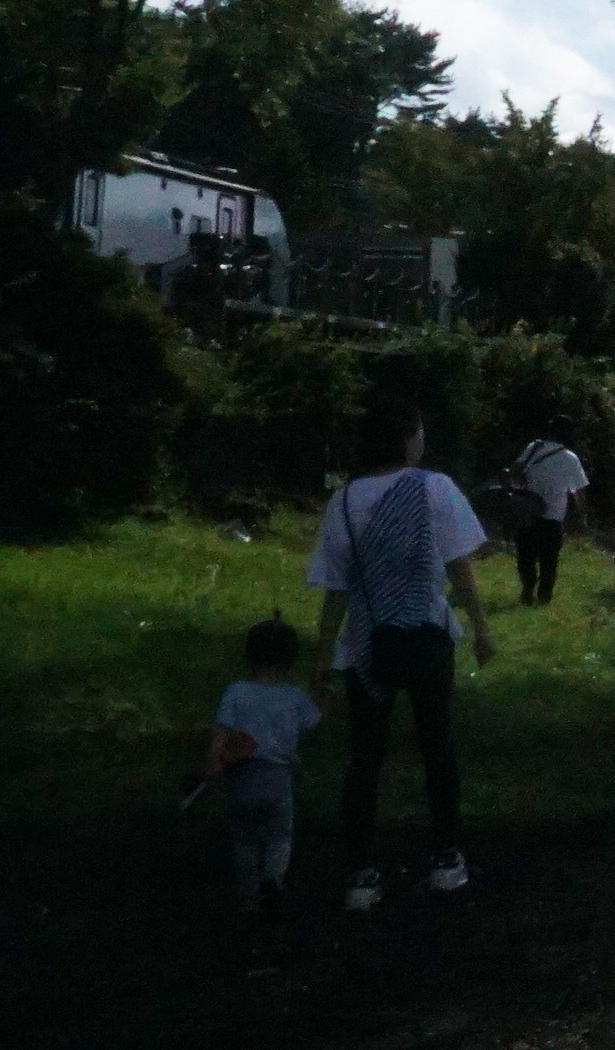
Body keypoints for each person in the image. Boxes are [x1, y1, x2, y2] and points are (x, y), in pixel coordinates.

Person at [307, 393, 498, 909]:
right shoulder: (435, 488)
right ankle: (444, 858)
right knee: (438, 746)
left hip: (368, 643)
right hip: (429, 636)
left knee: (364, 757)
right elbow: (461, 566)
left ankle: (360, 875)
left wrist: (323, 656)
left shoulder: (345, 500)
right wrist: (481, 628)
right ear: (408, 438)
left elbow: (336, 587)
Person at [197, 618, 319, 918]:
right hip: (278, 779)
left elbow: (222, 729)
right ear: (290, 660)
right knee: (279, 837)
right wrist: (323, 687)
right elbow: (316, 719)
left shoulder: (236, 692)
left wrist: (214, 760)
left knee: (245, 842)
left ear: (248, 656)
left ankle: (247, 901)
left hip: (242, 776)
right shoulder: (295, 697)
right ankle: (273, 879)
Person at [508, 423, 590, 607]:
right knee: (549, 561)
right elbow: (578, 491)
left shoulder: (534, 447)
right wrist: (582, 516)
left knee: (526, 557)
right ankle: (544, 598)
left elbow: (516, 472)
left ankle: (528, 589)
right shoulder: (571, 459)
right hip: (553, 517)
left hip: (528, 512)